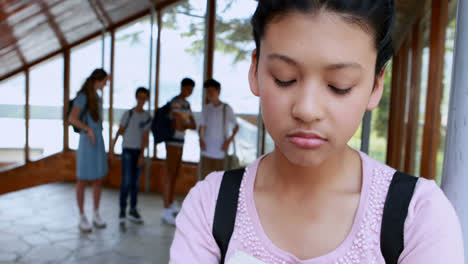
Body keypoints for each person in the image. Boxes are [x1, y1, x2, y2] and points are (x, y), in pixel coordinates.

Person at [170, 1, 464, 263]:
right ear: (255, 69)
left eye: (340, 85)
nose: (307, 110)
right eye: (284, 79)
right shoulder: (210, 207)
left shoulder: (419, 219)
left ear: (376, 85)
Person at [69, 68, 109, 233]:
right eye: (105, 81)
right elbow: (72, 118)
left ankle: (96, 213)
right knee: (83, 179)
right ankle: (82, 215)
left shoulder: (97, 97)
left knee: (98, 178)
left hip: (98, 140)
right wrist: (88, 129)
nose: (106, 84)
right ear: (97, 81)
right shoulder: (83, 96)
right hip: (87, 141)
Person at [110, 87, 152, 224]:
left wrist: (142, 155)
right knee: (126, 181)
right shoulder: (128, 114)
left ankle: (133, 209)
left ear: (146, 99)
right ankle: (122, 209)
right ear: (136, 97)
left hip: (138, 151)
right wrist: (112, 148)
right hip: (127, 150)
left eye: (144, 97)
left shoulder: (146, 117)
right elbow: (120, 131)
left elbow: (145, 137)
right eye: (139, 97)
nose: (141, 100)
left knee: (135, 182)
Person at [162, 78, 196, 225]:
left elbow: (192, 124)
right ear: (182, 87)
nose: (189, 92)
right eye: (187, 89)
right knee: (170, 173)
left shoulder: (186, 104)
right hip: (172, 141)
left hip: (180, 141)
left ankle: (170, 203)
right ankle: (166, 209)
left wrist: (185, 124)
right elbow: (178, 125)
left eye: (191, 90)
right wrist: (185, 123)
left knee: (175, 172)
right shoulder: (175, 102)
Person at [199, 79, 239, 180]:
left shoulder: (226, 108)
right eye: (207, 92)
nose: (209, 94)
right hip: (206, 150)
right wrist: (200, 140)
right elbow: (201, 127)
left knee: (219, 182)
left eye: (212, 91)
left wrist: (228, 142)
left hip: (221, 152)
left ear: (218, 91)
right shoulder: (206, 108)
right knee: (205, 181)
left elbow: (236, 126)